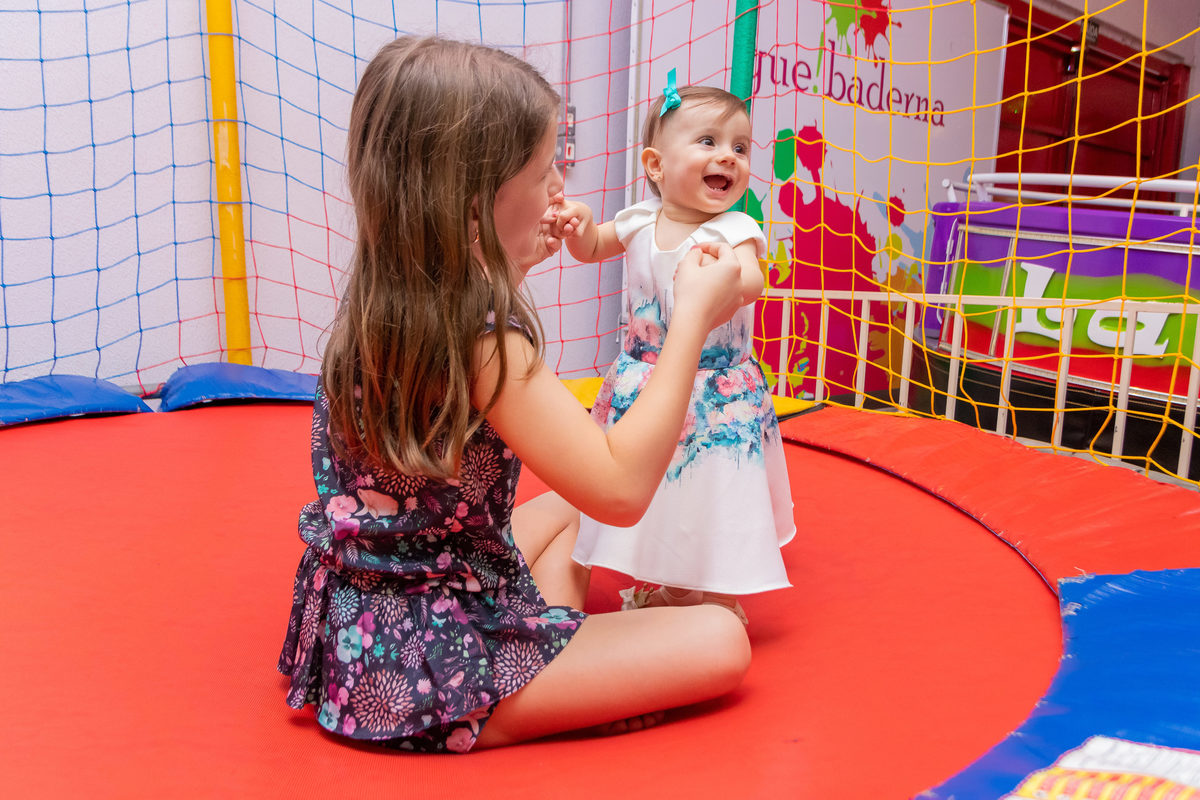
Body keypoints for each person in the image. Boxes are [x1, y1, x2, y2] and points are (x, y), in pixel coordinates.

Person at [277, 37, 751, 754]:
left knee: (565, 510)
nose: (561, 184)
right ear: (474, 207)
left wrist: (513, 255)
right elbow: (622, 490)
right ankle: (521, 699)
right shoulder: (486, 341)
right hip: (428, 668)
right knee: (721, 638)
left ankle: (555, 662)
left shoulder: (388, 295)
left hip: (369, 607)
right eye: (543, 171)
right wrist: (693, 315)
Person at [552, 71, 795, 623]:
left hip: (713, 389)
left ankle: (714, 597)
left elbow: (753, 280)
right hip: (645, 380)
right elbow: (591, 247)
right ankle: (670, 589)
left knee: (707, 489)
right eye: (708, 142)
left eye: (740, 147)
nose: (729, 157)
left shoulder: (733, 230)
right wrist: (579, 224)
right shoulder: (639, 219)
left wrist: (727, 276)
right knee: (658, 489)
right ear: (656, 166)